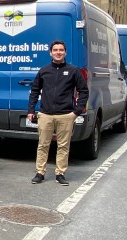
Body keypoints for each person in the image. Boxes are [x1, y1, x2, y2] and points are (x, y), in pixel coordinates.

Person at [27, 40, 89, 186]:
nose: (58, 52)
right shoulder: (44, 70)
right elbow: (34, 91)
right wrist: (31, 110)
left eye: (61, 50)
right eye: (55, 50)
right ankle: (40, 173)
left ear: (65, 52)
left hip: (66, 115)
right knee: (43, 144)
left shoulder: (73, 71)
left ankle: (60, 173)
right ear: (51, 52)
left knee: (63, 146)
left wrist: (76, 111)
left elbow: (84, 91)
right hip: (46, 114)